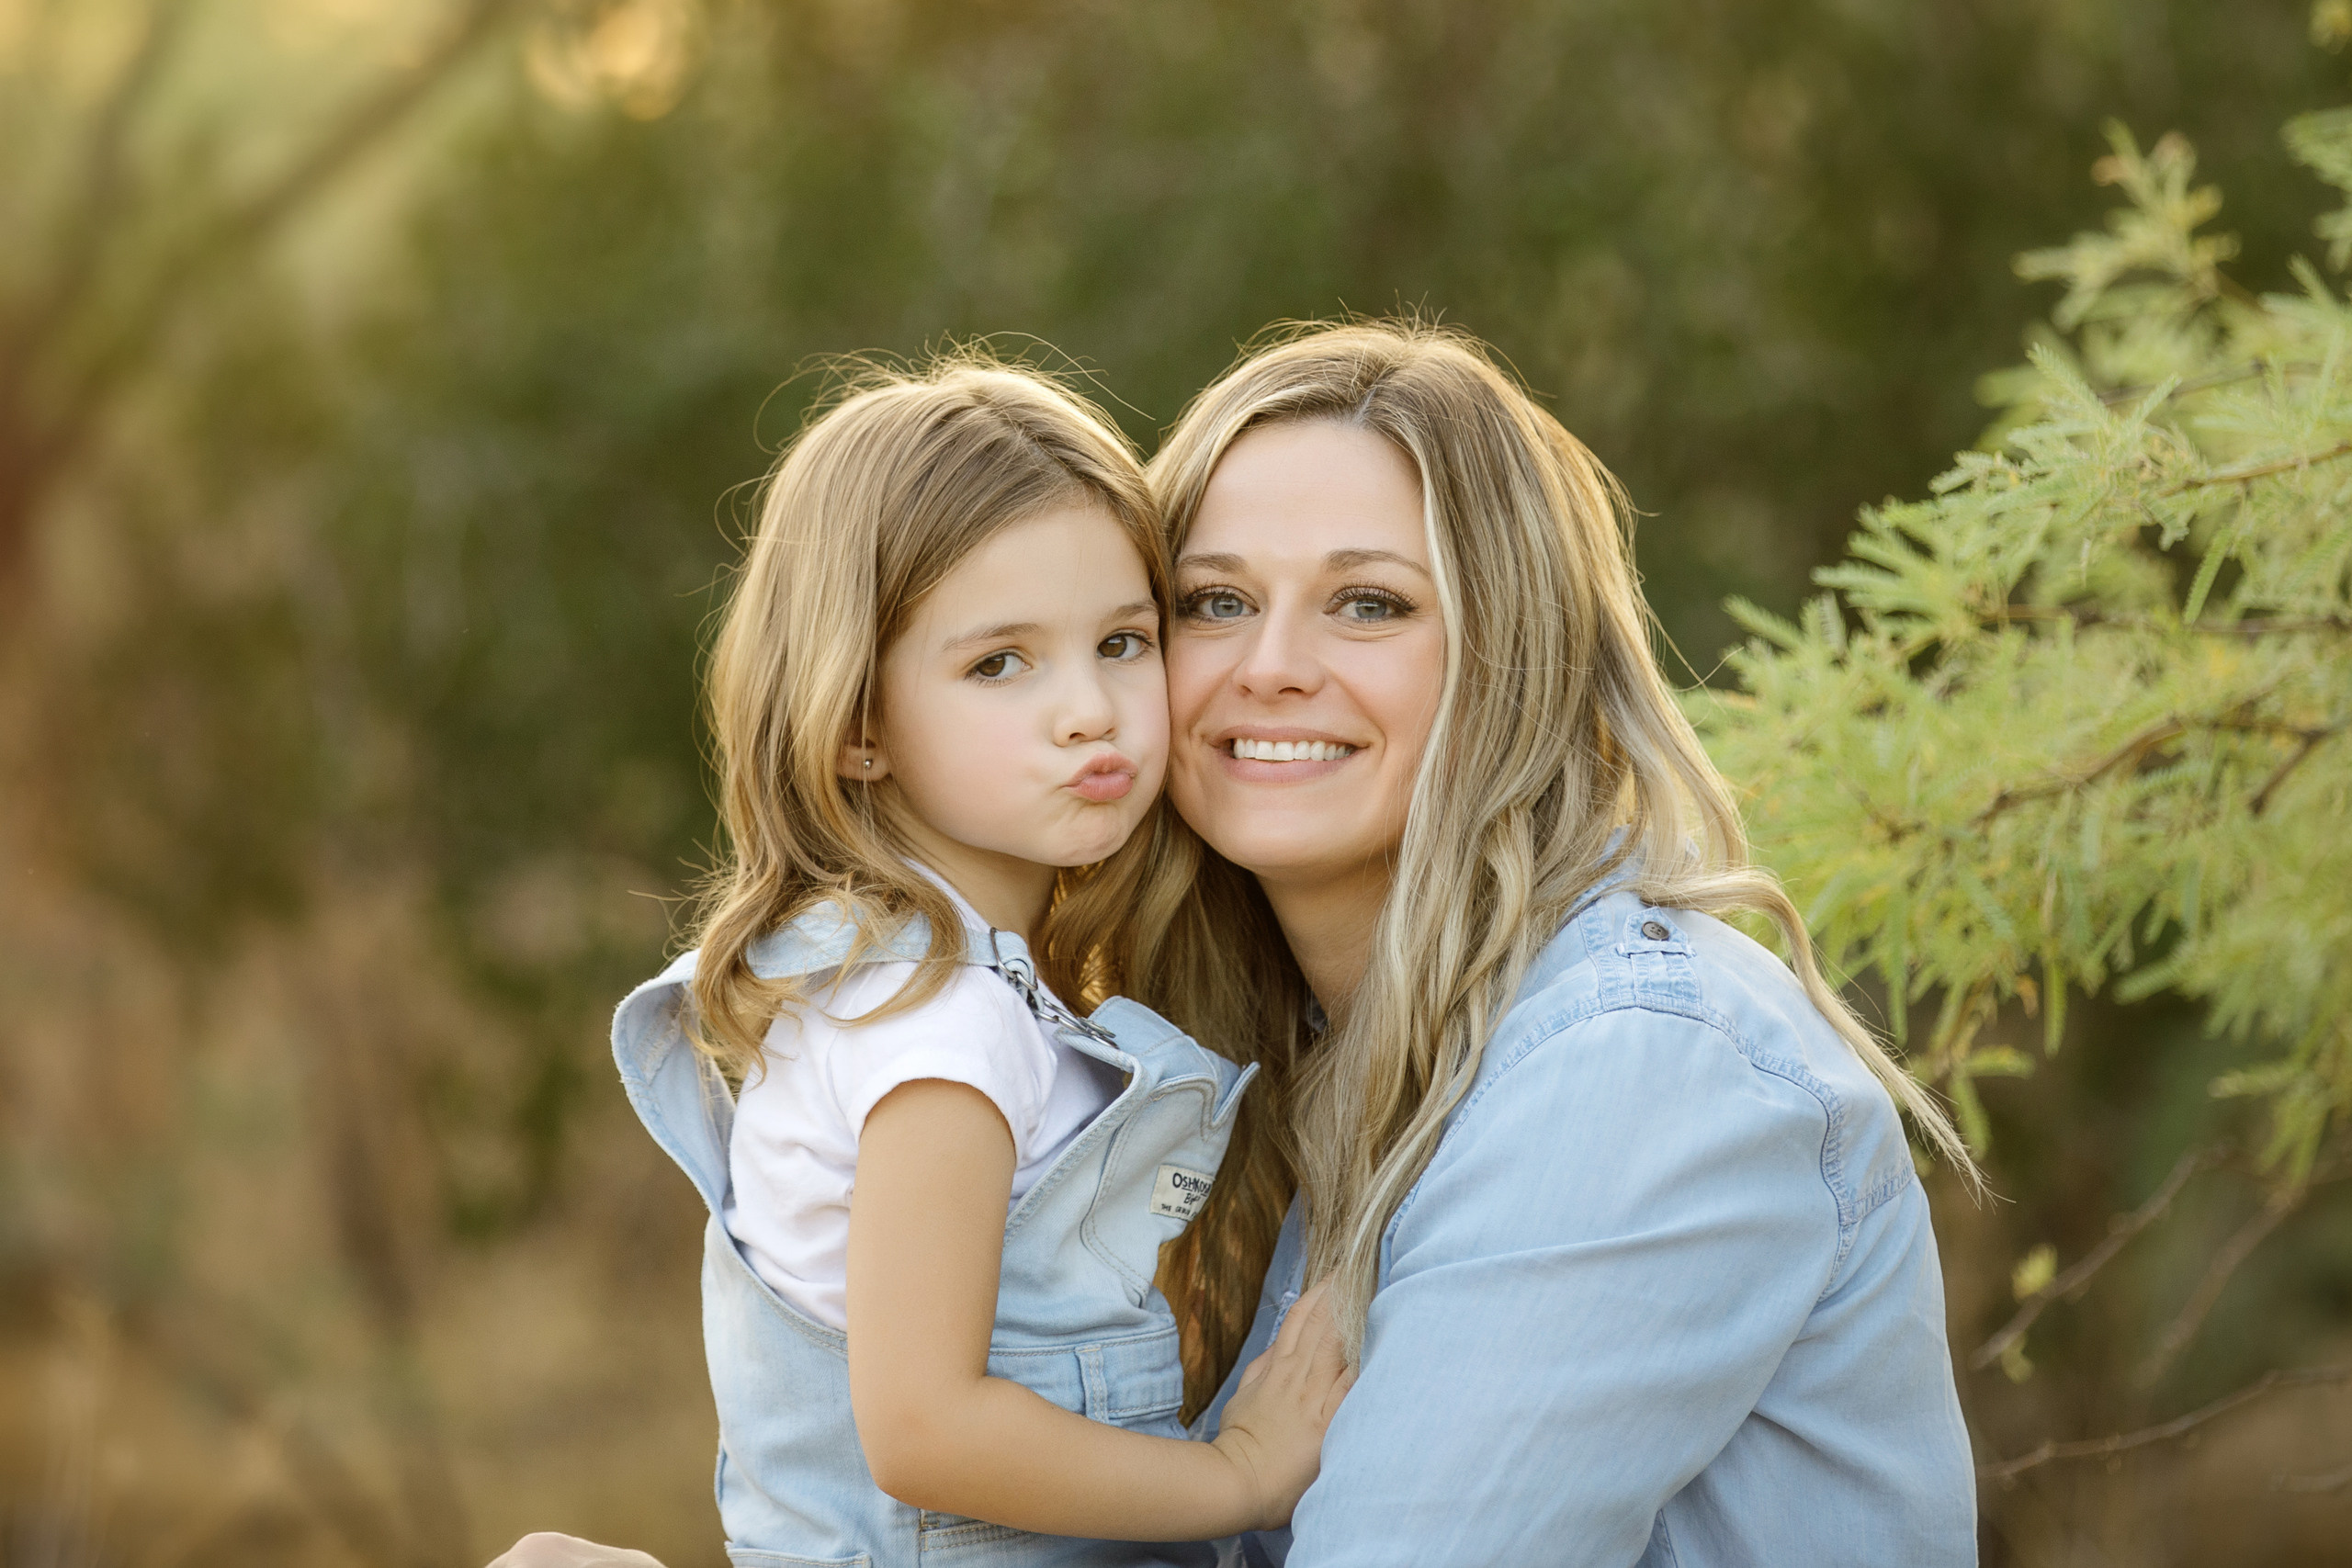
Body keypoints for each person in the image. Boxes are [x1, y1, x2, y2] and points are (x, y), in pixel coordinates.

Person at [492, 320, 1977, 1568]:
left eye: (1370, 604)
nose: (1271, 666)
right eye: (1212, 603)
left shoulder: (1634, 1069)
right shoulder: (1280, 1069)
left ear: (1508, 659)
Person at [601, 357, 1351, 1568]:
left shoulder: (896, 976)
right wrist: (1240, 1476)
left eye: (1120, 641)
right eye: (1001, 664)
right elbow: (924, 1431)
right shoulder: (940, 1028)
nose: (1089, 712)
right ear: (856, 727)